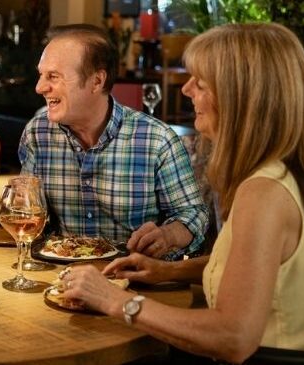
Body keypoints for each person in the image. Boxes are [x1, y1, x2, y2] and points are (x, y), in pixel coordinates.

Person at [60, 23, 304, 362]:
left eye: (200, 83)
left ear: (240, 98)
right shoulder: (301, 171)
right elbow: (257, 268)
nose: (186, 89)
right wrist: (166, 272)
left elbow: (233, 337)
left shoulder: (264, 193)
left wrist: (114, 301)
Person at [19, 24, 208, 259]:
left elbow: (194, 214)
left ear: (97, 81)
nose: (40, 88)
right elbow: (27, 212)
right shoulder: (37, 135)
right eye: (41, 75)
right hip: (59, 278)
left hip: (134, 278)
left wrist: (168, 235)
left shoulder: (156, 140)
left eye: (53, 77)